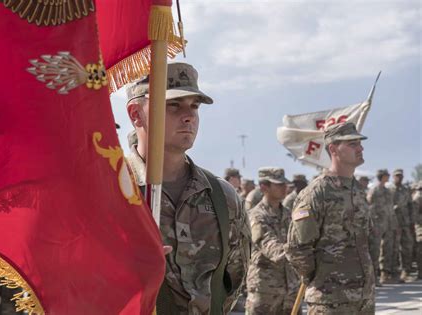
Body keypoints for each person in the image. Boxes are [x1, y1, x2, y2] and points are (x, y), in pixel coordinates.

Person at [125, 62, 250, 314]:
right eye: (173, 105)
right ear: (136, 114)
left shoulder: (222, 197)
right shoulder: (110, 189)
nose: (189, 116)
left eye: (194, 106)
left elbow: (234, 279)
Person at [285, 122, 375, 314]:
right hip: (330, 301)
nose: (360, 148)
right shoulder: (316, 193)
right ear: (333, 149)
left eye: (359, 142)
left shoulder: (358, 190)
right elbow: (298, 248)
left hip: (363, 299)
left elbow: (367, 239)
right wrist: (319, 279)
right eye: (352, 144)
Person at [246, 168, 299, 315]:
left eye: (284, 184)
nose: (284, 188)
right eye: (279, 185)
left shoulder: (288, 214)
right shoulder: (256, 216)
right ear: (264, 187)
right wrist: (302, 252)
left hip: (290, 290)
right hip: (266, 291)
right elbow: (271, 248)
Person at [367, 169, 394, 285]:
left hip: (387, 223)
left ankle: (385, 275)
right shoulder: (374, 190)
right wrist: (372, 223)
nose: (389, 176)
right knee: (375, 251)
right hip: (377, 224)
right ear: (382, 176)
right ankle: (373, 278)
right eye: (387, 175)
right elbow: (369, 206)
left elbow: (390, 208)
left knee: (387, 249)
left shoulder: (387, 191)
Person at [389, 169, 414, 281]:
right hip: (393, 224)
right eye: (397, 176)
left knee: (407, 247)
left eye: (401, 176)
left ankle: (406, 271)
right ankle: (394, 272)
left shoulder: (406, 190)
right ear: (393, 177)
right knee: (393, 248)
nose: (399, 178)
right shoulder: (389, 190)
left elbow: (410, 206)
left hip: (405, 223)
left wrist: (412, 221)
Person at [412, 181, 422, 279]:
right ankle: (420, 272)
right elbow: (415, 215)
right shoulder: (418, 197)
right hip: (420, 227)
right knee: (420, 250)